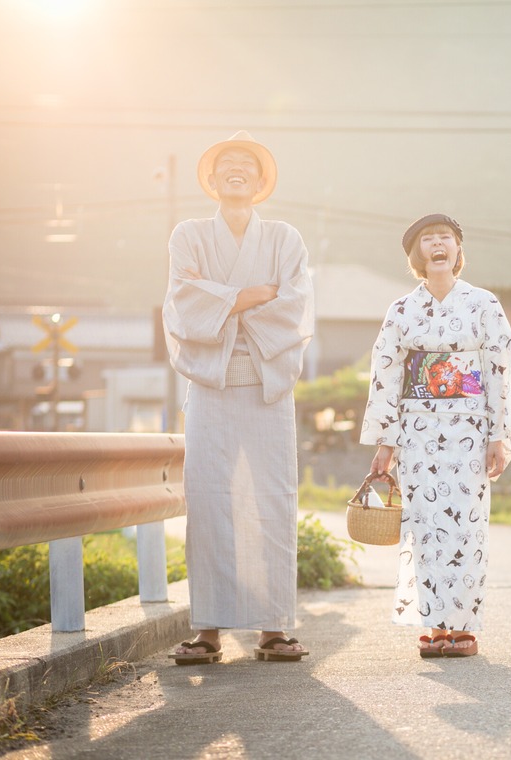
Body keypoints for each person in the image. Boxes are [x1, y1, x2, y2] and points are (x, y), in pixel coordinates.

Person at [162, 131, 314, 664]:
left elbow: (294, 304)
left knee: (272, 498)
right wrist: (254, 295)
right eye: (225, 162)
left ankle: (274, 626)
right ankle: (208, 627)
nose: (235, 169)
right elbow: (184, 301)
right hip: (210, 384)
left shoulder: (285, 239)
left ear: (260, 180)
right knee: (207, 499)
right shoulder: (188, 234)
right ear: (211, 178)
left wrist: (222, 301)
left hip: (268, 386)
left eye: (246, 164)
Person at [361, 214, 511, 659]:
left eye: (445, 239)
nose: (437, 245)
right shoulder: (401, 310)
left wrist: (498, 435)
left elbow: (501, 369)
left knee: (467, 526)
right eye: (428, 240)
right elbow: (386, 374)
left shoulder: (484, 304)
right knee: (425, 526)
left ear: (457, 250)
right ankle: (434, 623)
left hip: (469, 424)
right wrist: (385, 443)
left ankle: (463, 625)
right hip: (417, 429)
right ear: (417, 254)